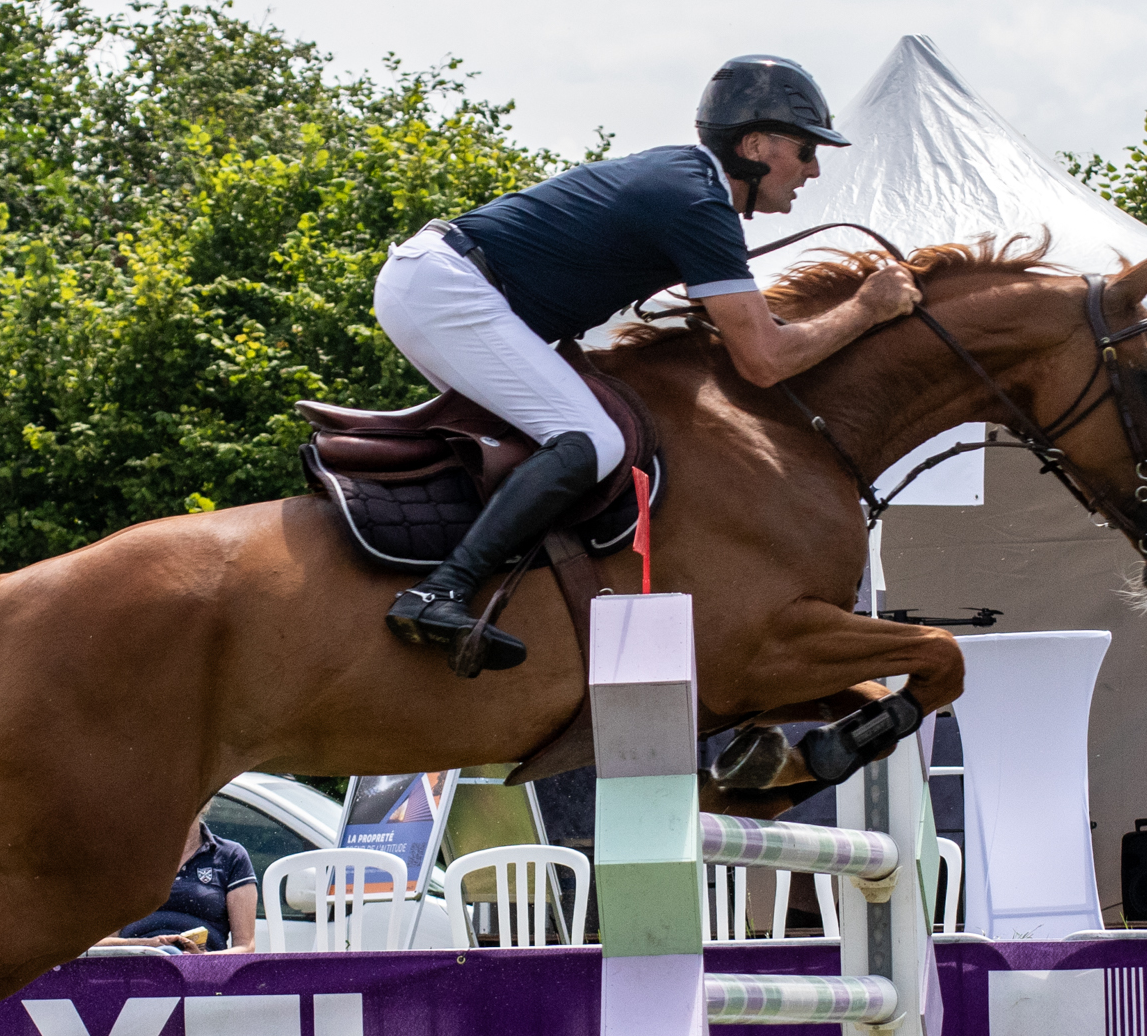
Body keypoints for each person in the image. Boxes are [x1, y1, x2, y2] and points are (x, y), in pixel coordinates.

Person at [372, 55, 920, 674]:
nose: (813, 168)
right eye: (805, 149)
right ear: (754, 145)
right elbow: (765, 361)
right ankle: (439, 592)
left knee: (559, 441)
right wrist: (867, 308)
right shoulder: (698, 201)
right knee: (590, 438)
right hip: (449, 291)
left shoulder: (691, 184)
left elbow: (747, 331)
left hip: (446, 286)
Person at [93, 805, 259, 953]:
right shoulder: (127, 858)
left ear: (205, 802)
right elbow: (98, 944)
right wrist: (145, 946)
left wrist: (203, 959)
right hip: (135, 964)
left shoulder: (231, 856)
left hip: (202, 970)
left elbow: (245, 947)